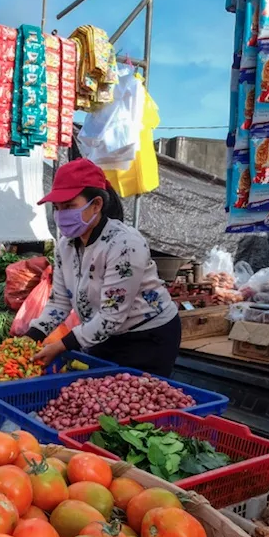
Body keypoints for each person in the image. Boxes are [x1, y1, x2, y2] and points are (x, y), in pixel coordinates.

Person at [27, 159, 181, 376]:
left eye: (70, 206)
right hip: (101, 332)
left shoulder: (125, 244)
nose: (61, 215)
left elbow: (112, 316)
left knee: (135, 400)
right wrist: (31, 336)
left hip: (147, 336)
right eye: (57, 208)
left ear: (96, 205)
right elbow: (60, 301)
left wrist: (62, 345)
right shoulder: (66, 245)